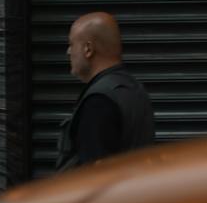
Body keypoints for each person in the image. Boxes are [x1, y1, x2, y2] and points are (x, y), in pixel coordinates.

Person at [57, 11, 155, 170]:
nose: (68, 52)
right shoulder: (134, 90)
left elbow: (95, 175)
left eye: (72, 44)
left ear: (88, 49)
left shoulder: (99, 101)